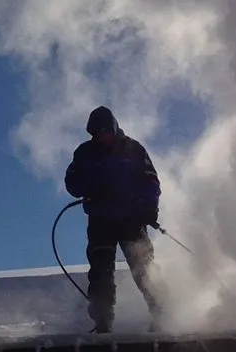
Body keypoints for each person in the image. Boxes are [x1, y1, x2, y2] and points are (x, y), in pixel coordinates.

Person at [64, 106, 167, 333]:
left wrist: (150, 208)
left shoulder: (133, 149)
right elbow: (71, 181)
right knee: (101, 272)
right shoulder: (84, 153)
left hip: (132, 220)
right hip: (101, 222)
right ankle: (102, 322)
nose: (103, 136)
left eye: (106, 131)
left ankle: (162, 314)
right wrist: (89, 187)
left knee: (144, 267)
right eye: (98, 132)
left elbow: (151, 181)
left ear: (114, 127)